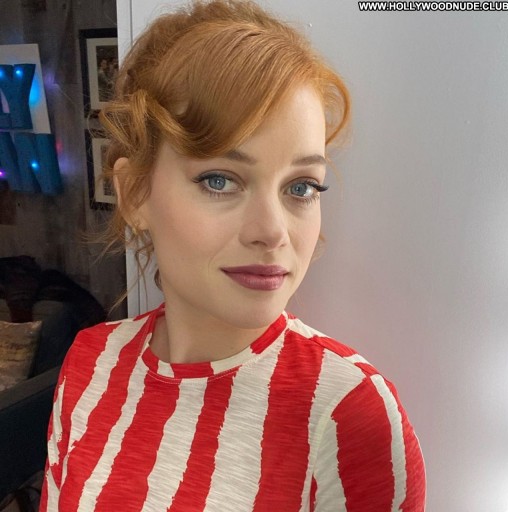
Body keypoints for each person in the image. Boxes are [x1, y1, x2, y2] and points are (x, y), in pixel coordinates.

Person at [41, 1, 426, 510]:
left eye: (302, 186)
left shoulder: (348, 416)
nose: (272, 231)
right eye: (220, 180)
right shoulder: (91, 363)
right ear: (135, 194)